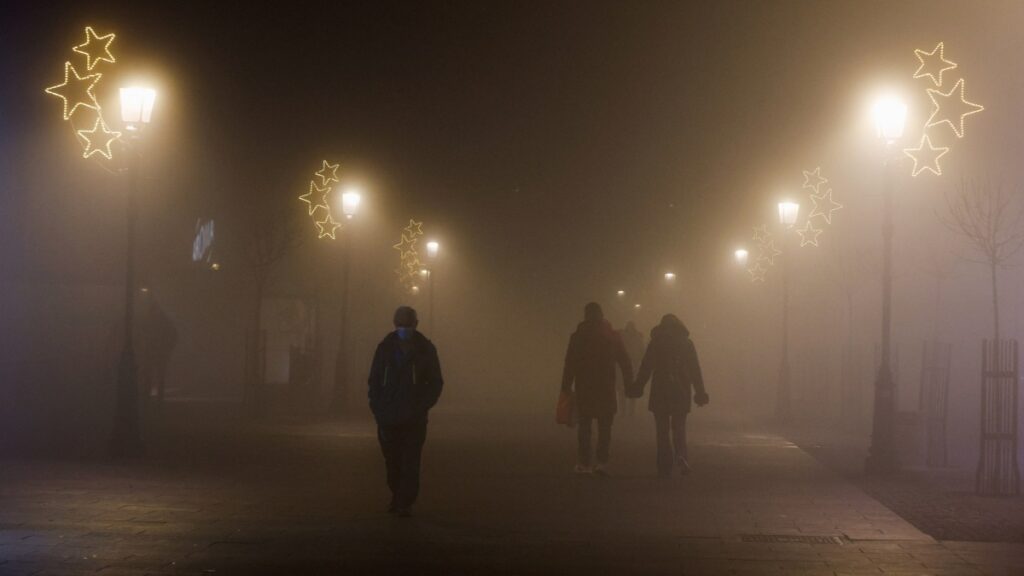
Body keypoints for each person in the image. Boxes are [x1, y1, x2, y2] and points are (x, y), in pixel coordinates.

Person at [367, 306, 444, 517]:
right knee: (393, 461)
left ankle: (404, 501)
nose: (404, 329)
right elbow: (374, 381)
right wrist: (379, 409)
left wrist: (421, 406)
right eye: (401, 325)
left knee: (410, 461)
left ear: (414, 325)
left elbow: (435, 382)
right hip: (389, 417)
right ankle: (398, 496)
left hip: (413, 418)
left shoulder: (425, 350)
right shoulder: (385, 349)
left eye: (406, 325)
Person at [630, 314, 709, 478]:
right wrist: (700, 393)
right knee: (679, 427)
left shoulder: (656, 343)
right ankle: (681, 455)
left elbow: (646, 367)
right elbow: (695, 370)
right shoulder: (687, 344)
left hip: (660, 390)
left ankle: (664, 465)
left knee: (662, 430)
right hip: (681, 391)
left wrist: (638, 387)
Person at [561, 302, 633, 475]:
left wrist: (565, 386)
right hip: (606, 386)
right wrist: (629, 384)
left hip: (585, 386)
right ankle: (601, 462)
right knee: (605, 427)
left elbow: (570, 363)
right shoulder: (612, 336)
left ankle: (584, 463)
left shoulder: (578, 336)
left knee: (584, 427)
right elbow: (625, 362)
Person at [618, 321, 645, 416]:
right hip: (630, 366)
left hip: (626, 366)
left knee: (623, 389)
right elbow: (642, 352)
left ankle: (626, 412)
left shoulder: (622, 336)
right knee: (625, 389)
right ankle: (628, 412)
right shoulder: (638, 337)